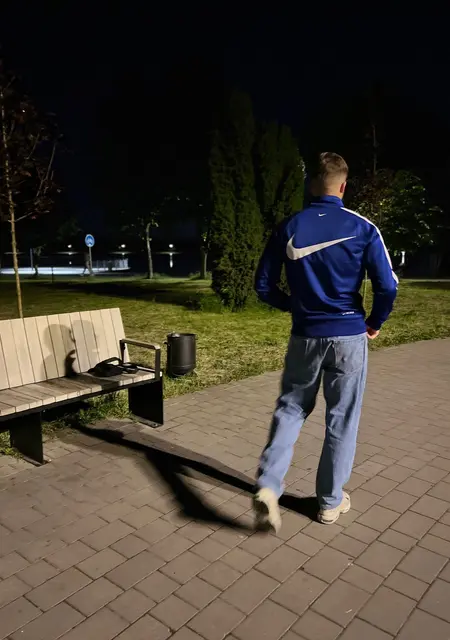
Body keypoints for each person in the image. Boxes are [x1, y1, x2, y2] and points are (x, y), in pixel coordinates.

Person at [253, 152, 398, 530]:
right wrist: (374, 322)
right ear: (343, 186)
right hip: (349, 336)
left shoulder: (289, 226)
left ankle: (268, 485)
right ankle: (330, 503)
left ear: (311, 184)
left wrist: (295, 306)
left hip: (305, 335)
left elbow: (263, 285)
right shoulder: (363, 227)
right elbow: (387, 286)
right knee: (342, 419)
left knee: (291, 409)